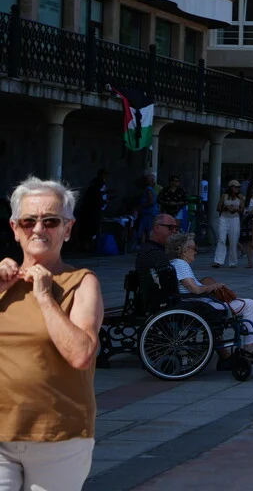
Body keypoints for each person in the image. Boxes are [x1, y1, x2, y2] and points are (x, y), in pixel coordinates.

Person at [0, 177, 104, 490]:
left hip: (58, 436)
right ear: (15, 228)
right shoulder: (2, 282)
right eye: (28, 221)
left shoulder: (82, 282)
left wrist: (45, 297)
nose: (38, 229)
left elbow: (81, 355)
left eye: (51, 221)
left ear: (67, 229)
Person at [165, 232, 253, 361]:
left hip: (197, 302)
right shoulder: (180, 264)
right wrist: (212, 287)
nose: (196, 251)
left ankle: (249, 346)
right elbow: (195, 289)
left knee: (244, 303)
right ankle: (250, 346)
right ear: (184, 250)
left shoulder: (176, 263)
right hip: (199, 304)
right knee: (249, 304)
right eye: (194, 248)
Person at [213, 180, 244, 268]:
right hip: (224, 218)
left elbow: (242, 209)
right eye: (235, 187)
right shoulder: (224, 196)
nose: (237, 189)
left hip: (234, 219)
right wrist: (225, 207)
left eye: (238, 187)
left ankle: (233, 262)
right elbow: (218, 208)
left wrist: (235, 209)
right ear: (231, 187)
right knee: (221, 239)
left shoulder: (240, 197)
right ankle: (218, 261)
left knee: (233, 240)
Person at [136, 172, 159, 247]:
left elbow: (151, 202)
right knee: (145, 230)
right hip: (148, 213)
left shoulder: (149, 189)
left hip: (149, 213)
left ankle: (149, 246)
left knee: (148, 230)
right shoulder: (150, 189)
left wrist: (141, 206)